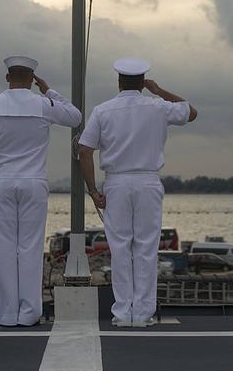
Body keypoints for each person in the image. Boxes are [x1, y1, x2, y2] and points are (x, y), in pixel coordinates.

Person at [78, 58, 197, 328]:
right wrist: (158, 90)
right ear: (143, 81)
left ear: (119, 81)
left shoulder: (103, 110)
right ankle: (143, 314)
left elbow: (85, 151)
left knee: (120, 249)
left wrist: (93, 190)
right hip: (148, 182)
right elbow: (190, 112)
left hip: (116, 182)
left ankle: (122, 313)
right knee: (146, 249)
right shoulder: (157, 106)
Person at [0, 55, 81, 327]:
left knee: (6, 248)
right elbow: (75, 117)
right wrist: (49, 91)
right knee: (31, 248)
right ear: (32, 80)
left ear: (8, 78)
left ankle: (8, 314)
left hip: (2, 182)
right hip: (34, 182)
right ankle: (30, 312)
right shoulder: (44, 104)